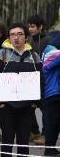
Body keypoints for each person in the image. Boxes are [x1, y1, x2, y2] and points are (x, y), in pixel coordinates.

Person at [0, 22, 43, 157]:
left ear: (26, 36)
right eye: (12, 34)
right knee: (8, 141)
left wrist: (36, 103)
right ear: (9, 37)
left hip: (27, 107)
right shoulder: (0, 54)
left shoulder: (34, 56)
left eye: (19, 34)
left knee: (24, 142)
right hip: (7, 107)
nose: (16, 37)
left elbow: (41, 80)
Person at [27, 14, 48, 146]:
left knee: (46, 110)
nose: (30, 29)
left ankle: (46, 135)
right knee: (28, 108)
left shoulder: (48, 40)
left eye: (33, 26)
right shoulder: (29, 40)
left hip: (44, 81)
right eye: (29, 26)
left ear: (40, 27)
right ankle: (35, 132)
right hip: (30, 80)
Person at [41, 31, 60, 156]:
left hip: (48, 91)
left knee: (52, 122)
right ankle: (49, 149)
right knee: (53, 122)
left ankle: (50, 148)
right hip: (54, 92)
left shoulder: (46, 52)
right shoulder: (55, 54)